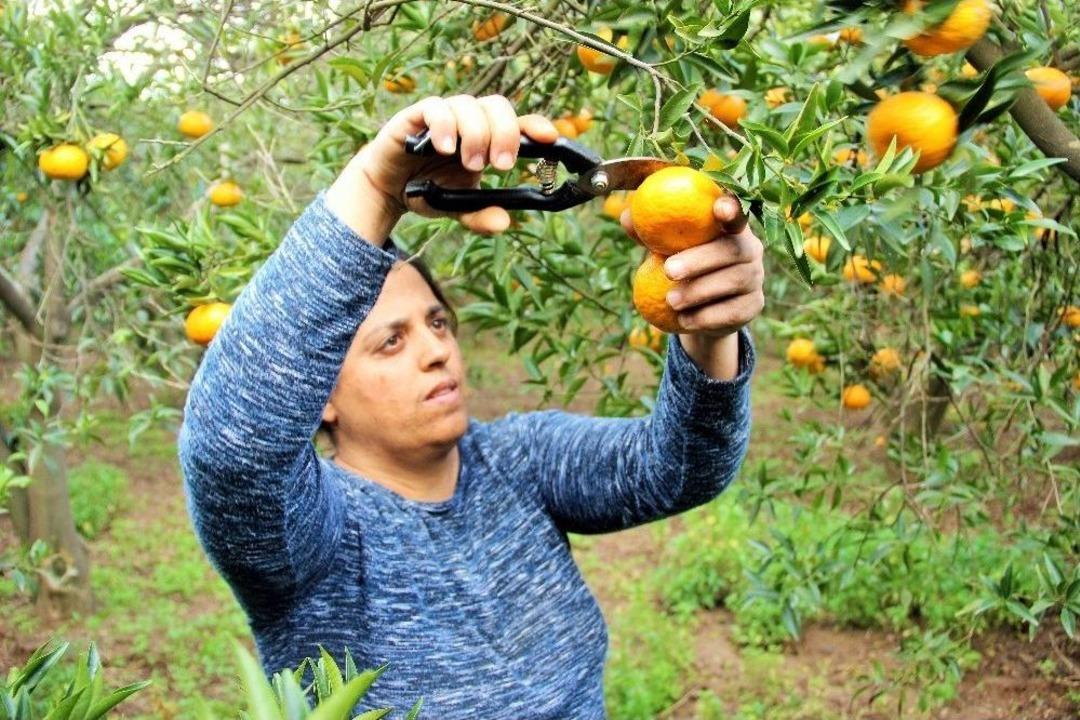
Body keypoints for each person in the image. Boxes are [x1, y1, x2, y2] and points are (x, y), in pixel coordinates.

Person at [178, 94, 764, 719]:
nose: (435, 351)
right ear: (318, 394)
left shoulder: (517, 461)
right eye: (391, 341)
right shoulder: (311, 538)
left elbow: (677, 468)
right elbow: (233, 450)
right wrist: (377, 192)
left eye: (437, 322)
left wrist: (707, 329)